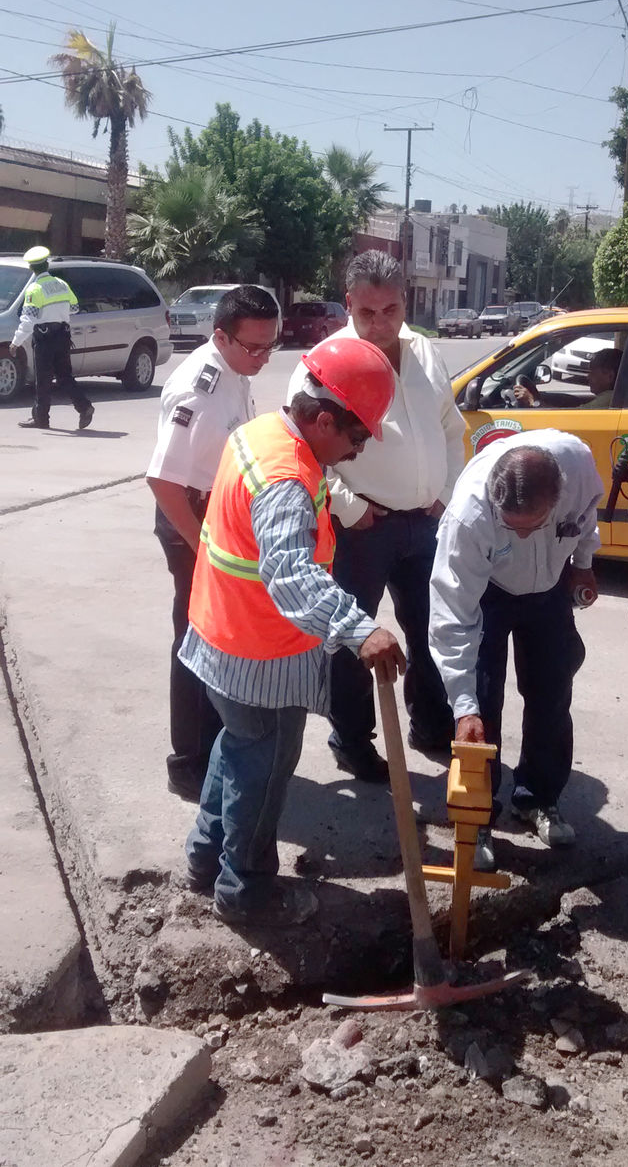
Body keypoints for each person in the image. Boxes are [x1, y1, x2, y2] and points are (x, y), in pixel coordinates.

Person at [180, 337, 406, 928]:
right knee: (263, 772)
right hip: (260, 657)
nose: (357, 449)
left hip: (221, 635)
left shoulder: (260, 433)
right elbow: (289, 574)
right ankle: (247, 891)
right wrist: (360, 630)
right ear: (325, 419)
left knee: (237, 747)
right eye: (357, 437)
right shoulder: (287, 476)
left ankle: (204, 859)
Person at [286, 250, 465, 783]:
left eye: (391, 309)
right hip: (362, 528)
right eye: (368, 312)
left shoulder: (424, 351)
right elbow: (304, 447)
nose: (381, 323)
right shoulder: (323, 363)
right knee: (353, 636)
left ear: (405, 302)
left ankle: (431, 723)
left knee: (432, 628)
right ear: (348, 304)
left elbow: (450, 428)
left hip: (426, 521)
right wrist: (351, 507)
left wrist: (445, 494)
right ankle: (351, 739)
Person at [429, 430, 604, 870]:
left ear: (557, 496)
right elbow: (451, 615)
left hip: (550, 587)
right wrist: (462, 706)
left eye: (534, 525)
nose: (522, 536)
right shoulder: (468, 517)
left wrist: (583, 564)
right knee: (481, 706)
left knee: (552, 695)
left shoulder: (578, 466)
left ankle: (538, 799)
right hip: (489, 591)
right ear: (494, 502)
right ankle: (478, 817)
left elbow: (586, 516)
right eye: (511, 527)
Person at [147, 285, 279, 802]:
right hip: (191, 518)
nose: (264, 357)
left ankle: (213, 749)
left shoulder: (234, 368)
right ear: (220, 337)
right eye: (254, 347)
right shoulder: (197, 391)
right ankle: (189, 763)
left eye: (271, 345)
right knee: (195, 639)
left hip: (215, 511)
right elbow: (163, 480)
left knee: (216, 638)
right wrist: (200, 545)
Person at [10, 246, 93, 431]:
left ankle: (41, 419)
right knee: (64, 377)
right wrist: (58, 311)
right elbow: (75, 308)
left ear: (32, 268)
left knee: (43, 379)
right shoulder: (62, 284)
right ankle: (84, 407)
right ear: (47, 265)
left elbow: (28, 319)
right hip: (63, 336)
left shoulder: (35, 289)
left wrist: (16, 342)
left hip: (45, 339)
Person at [513, 348, 623, 409]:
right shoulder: (614, 397)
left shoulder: (608, 399)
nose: (588, 377)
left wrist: (532, 401)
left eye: (592, 372)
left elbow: (567, 419)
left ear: (609, 376)